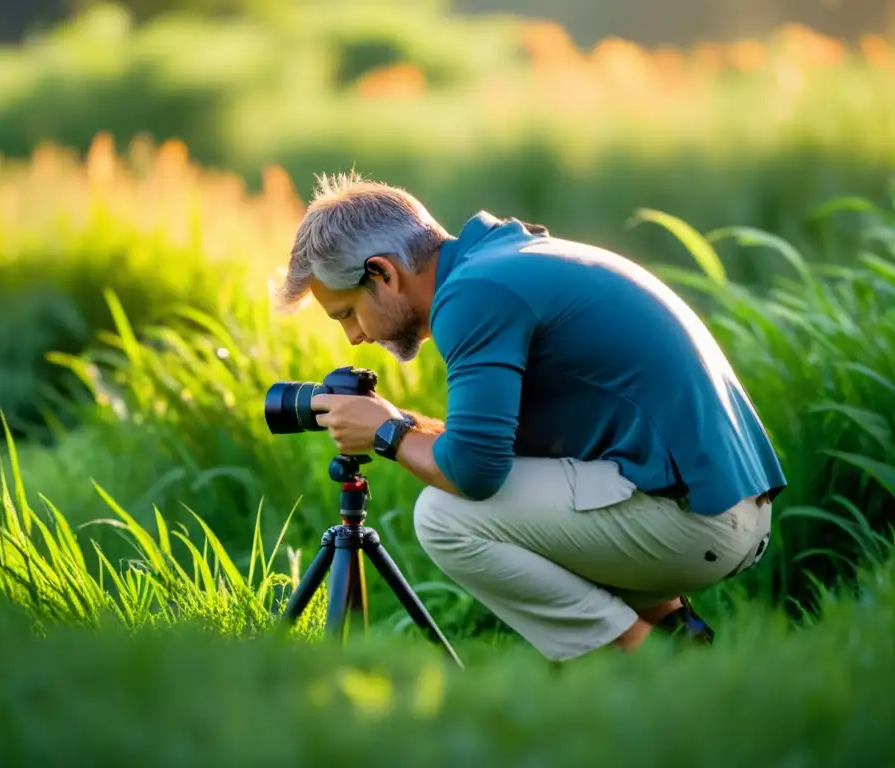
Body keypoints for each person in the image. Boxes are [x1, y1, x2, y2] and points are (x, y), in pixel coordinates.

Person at [272, 171, 786, 662]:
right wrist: (399, 423)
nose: (355, 338)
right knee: (514, 486)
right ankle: (677, 634)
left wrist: (385, 433)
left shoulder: (473, 297)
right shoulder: (506, 260)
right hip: (727, 504)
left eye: (346, 313)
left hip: (701, 521)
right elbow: (492, 448)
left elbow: (472, 473)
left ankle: (648, 658)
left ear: (383, 272)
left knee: (443, 517)